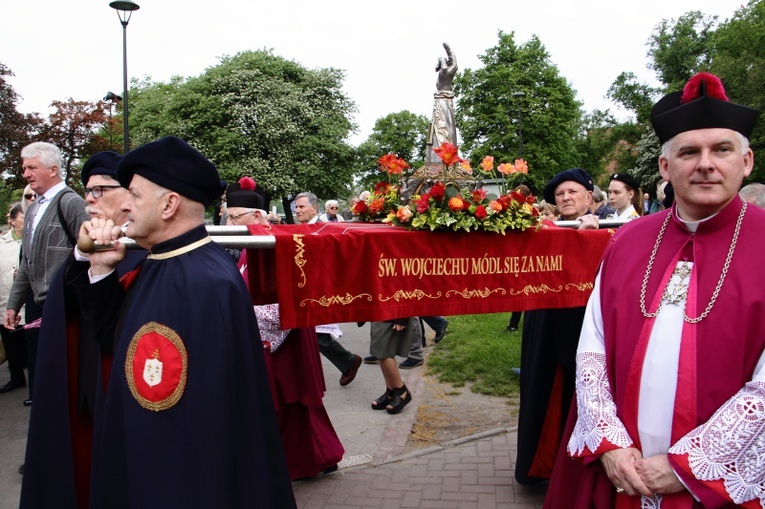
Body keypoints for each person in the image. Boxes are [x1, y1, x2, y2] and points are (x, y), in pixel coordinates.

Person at [549, 72, 764, 508]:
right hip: (621, 472)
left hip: (716, 482)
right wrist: (608, 443)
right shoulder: (627, 240)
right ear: (666, 167)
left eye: (722, 149)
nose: (705, 163)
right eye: (689, 151)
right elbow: (592, 345)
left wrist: (689, 465)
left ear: (746, 162)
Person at [70, 136, 295, 507]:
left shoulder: (208, 283)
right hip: (150, 456)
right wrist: (99, 270)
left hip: (181, 477)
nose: (124, 206)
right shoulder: (157, 262)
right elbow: (119, 344)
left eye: (135, 195)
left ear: (169, 204)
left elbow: (210, 421)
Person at [19, 151, 147, 508]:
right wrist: (81, 256)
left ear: (130, 195)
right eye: (87, 190)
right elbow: (69, 306)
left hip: (124, 393)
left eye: (99, 191)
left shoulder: (146, 253)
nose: (88, 200)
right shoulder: (87, 247)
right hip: (86, 387)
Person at [226, 176, 344, 481]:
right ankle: (314, 457)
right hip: (266, 340)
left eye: (232, 217)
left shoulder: (272, 243)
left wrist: (246, 325)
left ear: (255, 217)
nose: (227, 223)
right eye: (226, 216)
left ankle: (301, 462)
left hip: (279, 341)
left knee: (292, 405)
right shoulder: (245, 245)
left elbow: (284, 298)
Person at [515, 167, 599, 485]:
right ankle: (542, 469)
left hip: (583, 327)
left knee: (581, 397)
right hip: (545, 321)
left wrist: (594, 235)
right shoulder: (546, 228)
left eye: (572, 192)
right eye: (560, 194)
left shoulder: (605, 226)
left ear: (589, 197)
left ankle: (578, 472)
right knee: (542, 393)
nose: (565, 197)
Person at [4, 142, 88, 408]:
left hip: (66, 309)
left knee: (65, 380)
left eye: (32, 167)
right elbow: (27, 263)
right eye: (24, 168)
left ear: (53, 169)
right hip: (40, 309)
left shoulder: (71, 202)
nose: (26, 173)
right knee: (47, 379)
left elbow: (90, 253)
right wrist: (13, 304)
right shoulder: (34, 209)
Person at [294, 191, 363, 386]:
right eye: (296, 207)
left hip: (322, 287)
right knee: (302, 333)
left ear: (315, 207)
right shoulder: (302, 227)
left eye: (301, 207)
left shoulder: (325, 227)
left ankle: (349, 361)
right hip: (305, 285)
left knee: (317, 336)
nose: (297, 210)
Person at [0, 203, 26, 394]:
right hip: (5, 299)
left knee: (30, 346)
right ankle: (16, 378)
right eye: (23, 218)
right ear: (12, 220)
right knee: (10, 345)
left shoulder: (31, 240)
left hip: (27, 302)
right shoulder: (2, 242)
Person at [369, 318, 416, 414]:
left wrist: (401, 317)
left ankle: (401, 391)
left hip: (393, 310)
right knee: (380, 351)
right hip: (381, 309)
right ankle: (391, 390)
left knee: (382, 350)